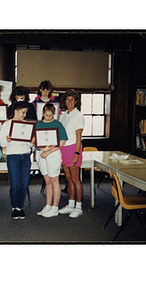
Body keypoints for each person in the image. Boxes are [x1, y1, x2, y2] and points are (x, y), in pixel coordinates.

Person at [0, 101, 33, 220]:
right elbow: (1, 142)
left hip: (26, 156)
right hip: (13, 156)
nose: (24, 115)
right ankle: (14, 207)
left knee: (24, 184)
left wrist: (32, 141)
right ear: (16, 112)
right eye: (23, 113)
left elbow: (30, 144)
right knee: (15, 184)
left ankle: (20, 207)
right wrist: (7, 140)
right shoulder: (7, 125)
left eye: (25, 113)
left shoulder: (27, 125)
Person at [35, 103, 68, 217]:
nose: (48, 117)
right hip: (41, 154)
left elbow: (62, 142)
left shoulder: (58, 125)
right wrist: (42, 150)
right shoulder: (38, 124)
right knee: (47, 181)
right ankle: (48, 205)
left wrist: (47, 152)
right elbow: (34, 141)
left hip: (53, 154)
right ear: (43, 113)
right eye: (46, 115)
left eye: (50, 115)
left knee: (54, 180)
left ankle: (55, 207)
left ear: (53, 114)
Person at [58, 89, 85, 218]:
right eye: (67, 99)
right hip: (63, 149)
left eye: (72, 99)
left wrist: (76, 154)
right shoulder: (63, 115)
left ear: (75, 102)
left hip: (74, 148)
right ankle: (70, 205)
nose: (69, 102)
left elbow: (78, 137)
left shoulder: (78, 115)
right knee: (68, 179)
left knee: (75, 179)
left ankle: (79, 207)